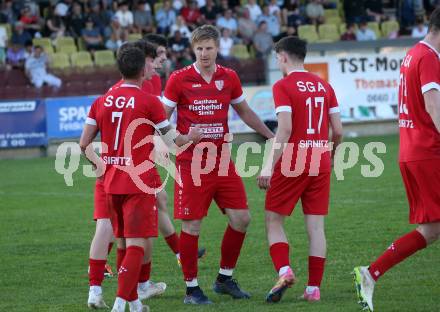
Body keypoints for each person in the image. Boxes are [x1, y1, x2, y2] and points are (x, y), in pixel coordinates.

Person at [80, 42, 202, 312]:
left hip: (110, 182)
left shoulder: (101, 100)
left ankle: (132, 303)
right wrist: (191, 137)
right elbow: (172, 142)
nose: (152, 67)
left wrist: (102, 167)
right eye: (149, 63)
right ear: (140, 69)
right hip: (140, 181)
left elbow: (83, 143)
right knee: (137, 244)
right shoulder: (149, 101)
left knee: (122, 240)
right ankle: (120, 304)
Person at [162, 24, 274, 305]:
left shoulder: (229, 77)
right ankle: (191, 289)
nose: (204, 53)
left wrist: (271, 135)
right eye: (199, 49)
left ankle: (224, 279)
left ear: (217, 47)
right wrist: (184, 137)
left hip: (222, 161)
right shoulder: (178, 79)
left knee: (242, 218)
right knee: (192, 226)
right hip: (191, 163)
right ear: (193, 49)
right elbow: (160, 120)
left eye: (209, 48)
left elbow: (244, 111)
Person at [353, 8, 440, 312]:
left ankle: (370, 273)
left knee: (431, 230)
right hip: (428, 151)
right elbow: (432, 105)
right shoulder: (429, 57)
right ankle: (370, 273)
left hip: (412, 151)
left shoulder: (413, 53)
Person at [257, 36, 342, 303]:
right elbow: (338, 130)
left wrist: (268, 165)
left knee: (273, 220)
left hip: (294, 159)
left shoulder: (283, 85)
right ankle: (313, 289)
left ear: (282, 56)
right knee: (316, 227)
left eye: (277, 57)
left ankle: (284, 271)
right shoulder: (324, 86)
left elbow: (285, 129)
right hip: (321, 159)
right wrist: (332, 154)